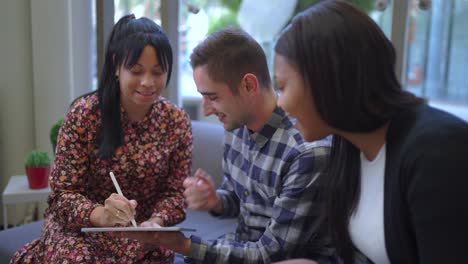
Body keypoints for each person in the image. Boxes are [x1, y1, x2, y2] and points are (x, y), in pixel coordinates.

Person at [115, 27, 336, 263]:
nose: (206, 110)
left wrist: (186, 246)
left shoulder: (306, 153)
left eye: (213, 97)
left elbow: (272, 253)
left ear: (249, 85)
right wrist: (216, 201)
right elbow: (238, 198)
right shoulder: (237, 126)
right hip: (239, 247)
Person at [273, 1, 468, 264]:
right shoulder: (349, 145)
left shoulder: (437, 151)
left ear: (327, 78)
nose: (279, 103)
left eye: (282, 87)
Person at [11, 14, 192, 263]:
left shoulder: (176, 121)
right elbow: (62, 194)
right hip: (79, 230)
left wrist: (156, 221)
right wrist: (100, 215)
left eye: (158, 72)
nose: (148, 82)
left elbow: (176, 194)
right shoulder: (85, 114)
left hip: (142, 236)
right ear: (117, 66)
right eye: (136, 70)